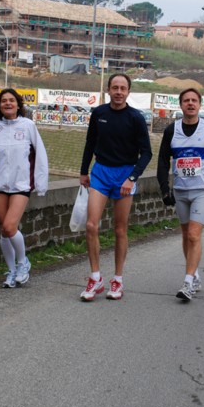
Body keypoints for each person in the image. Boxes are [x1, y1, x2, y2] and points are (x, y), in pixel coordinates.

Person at [79, 73, 152, 301]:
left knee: (120, 229)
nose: (119, 92)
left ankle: (118, 279)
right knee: (91, 225)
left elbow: (146, 153)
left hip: (124, 175)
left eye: (123, 88)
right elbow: (90, 143)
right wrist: (83, 171)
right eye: (115, 87)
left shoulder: (136, 118)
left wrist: (132, 178)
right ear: (108, 90)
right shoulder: (99, 113)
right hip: (100, 172)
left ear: (128, 92)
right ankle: (95, 277)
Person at [157, 87, 204, 302]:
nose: (190, 104)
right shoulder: (171, 131)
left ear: (199, 105)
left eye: (194, 100)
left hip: (202, 190)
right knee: (185, 235)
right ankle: (195, 274)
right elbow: (163, 162)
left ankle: (188, 282)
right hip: (181, 190)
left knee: (193, 234)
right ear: (180, 105)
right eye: (186, 101)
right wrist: (164, 188)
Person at [0, 88, 49, 288]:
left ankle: (23, 263)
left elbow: (40, 155)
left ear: (18, 104)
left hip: (21, 184)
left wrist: (41, 183)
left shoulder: (28, 125)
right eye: (4, 101)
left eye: (11, 100)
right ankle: (11, 271)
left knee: (9, 227)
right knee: (3, 231)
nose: (8, 103)